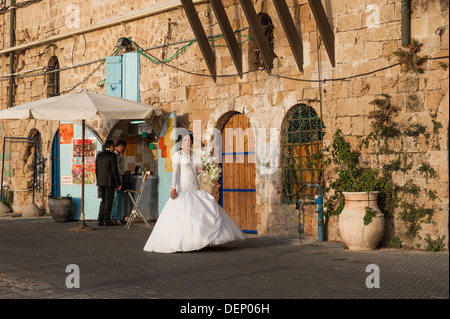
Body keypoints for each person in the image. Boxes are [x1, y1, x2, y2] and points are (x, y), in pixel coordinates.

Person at [143, 131, 245, 253]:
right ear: (181, 142)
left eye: (189, 140)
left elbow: (196, 172)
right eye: (185, 140)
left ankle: (204, 238)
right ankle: (187, 241)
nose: (187, 142)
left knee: (202, 210)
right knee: (186, 214)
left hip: (194, 186)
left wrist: (201, 169)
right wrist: (174, 187)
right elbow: (175, 173)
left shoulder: (195, 155)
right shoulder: (178, 155)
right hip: (183, 187)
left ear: (192, 142)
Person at [95, 139, 122, 226]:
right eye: (113, 146)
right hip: (110, 182)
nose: (113, 147)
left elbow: (97, 170)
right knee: (109, 201)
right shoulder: (112, 155)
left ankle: (100, 219)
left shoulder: (99, 156)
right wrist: (119, 183)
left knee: (103, 200)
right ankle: (107, 220)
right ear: (111, 146)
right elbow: (115, 170)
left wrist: (98, 182)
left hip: (101, 182)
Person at [111, 139, 130, 224]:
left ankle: (113, 216)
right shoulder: (115, 155)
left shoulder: (115, 155)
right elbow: (118, 170)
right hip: (117, 180)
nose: (124, 150)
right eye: (123, 148)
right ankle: (117, 217)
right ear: (120, 146)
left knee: (114, 198)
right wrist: (124, 173)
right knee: (119, 197)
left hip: (113, 180)